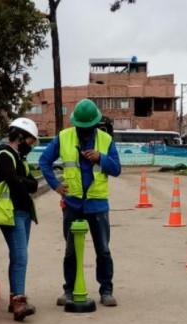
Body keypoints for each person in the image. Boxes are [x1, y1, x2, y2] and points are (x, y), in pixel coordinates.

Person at [39, 99, 122, 307]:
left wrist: (100, 157)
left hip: (97, 205)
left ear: (95, 125)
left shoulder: (105, 140)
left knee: (103, 249)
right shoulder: (64, 137)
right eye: (80, 127)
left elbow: (116, 169)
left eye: (87, 128)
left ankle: (106, 291)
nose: (84, 131)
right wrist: (56, 185)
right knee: (71, 250)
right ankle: (69, 289)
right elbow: (44, 161)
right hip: (73, 204)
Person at [0, 117, 41, 321]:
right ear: (20, 137)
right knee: (20, 257)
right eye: (30, 141)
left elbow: (32, 184)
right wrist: (25, 183)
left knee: (18, 256)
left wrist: (25, 183)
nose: (31, 145)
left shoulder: (19, 158)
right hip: (11, 213)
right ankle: (19, 301)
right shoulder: (5, 156)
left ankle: (15, 299)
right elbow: (16, 183)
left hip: (23, 213)